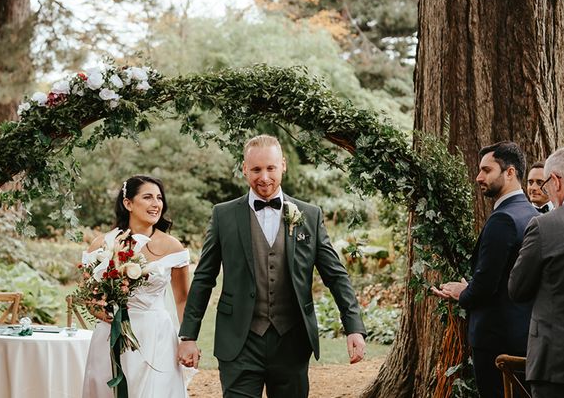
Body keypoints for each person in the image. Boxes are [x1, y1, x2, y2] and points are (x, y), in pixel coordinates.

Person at [177, 135, 366, 398]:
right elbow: (204, 277)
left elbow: (335, 275)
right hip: (239, 343)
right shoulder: (224, 215)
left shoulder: (309, 215)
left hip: (292, 341)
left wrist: (353, 326)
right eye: (256, 169)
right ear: (244, 168)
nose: (264, 177)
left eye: (270, 168)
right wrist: (188, 336)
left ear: (283, 166)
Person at [431, 141, 538, 398]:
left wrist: (461, 292)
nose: (479, 177)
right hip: (526, 333)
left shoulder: (504, 219)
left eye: (486, 170)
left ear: (510, 172)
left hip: (496, 339)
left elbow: (486, 287)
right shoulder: (530, 213)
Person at [82, 175, 191, 398]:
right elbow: (87, 295)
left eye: (159, 198)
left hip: (157, 336)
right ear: (128, 203)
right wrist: (98, 311)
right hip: (111, 336)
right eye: (148, 197)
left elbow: (182, 299)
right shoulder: (102, 244)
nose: (156, 204)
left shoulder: (173, 247)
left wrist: (188, 340)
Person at [509, 146, 564, 398]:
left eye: (545, 186)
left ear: (555, 181)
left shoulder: (544, 226)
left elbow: (517, 290)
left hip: (556, 364)